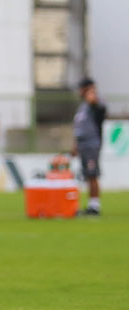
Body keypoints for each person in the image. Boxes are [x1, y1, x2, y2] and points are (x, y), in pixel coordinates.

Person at [71, 77, 106, 215]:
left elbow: (96, 103)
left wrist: (91, 91)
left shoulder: (95, 103)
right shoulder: (83, 107)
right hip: (83, 144)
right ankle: (91, 205)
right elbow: (80, 127)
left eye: (81, 88)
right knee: (87, 175)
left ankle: (95, 206)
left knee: (92, 174)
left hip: (92, 144)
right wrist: (75, 145)